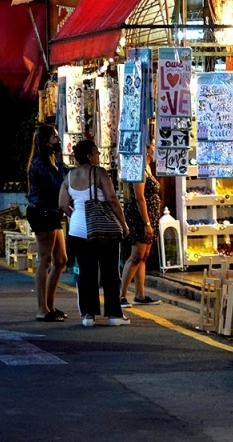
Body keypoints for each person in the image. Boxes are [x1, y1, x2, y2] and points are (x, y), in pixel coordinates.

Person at [58, 139, 129, 327]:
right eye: (97, 152)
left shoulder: (69, 176)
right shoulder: (99, 173)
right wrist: (123, 223)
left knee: (86, 273)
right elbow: (112, 199)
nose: (99, 155)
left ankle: (88, 316)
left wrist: (76, 216)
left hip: (78, 230)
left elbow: (63, 204)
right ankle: (114, 315)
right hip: (103, 229)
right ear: (89, 156)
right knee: (110, 272)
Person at [26, 124, 68, 322]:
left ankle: (50, 304)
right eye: (54, 137)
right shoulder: (39, 163)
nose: (58, 140)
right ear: (45, 142)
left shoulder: (49, 160)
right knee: (45, 260)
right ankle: (42, 309)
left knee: (61, 260)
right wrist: (60, 164)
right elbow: (57, 185)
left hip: (52, 211)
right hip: (42, 211)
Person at [119, 141, 162, 309]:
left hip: (149, 216)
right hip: (140, 218)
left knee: (143, 255)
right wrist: (147, 223)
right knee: (136, 254)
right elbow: (139, 197)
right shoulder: (137, 167)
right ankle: (122, 295)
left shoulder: (147, 167)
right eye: (152, 146)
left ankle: (140, 294)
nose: (154, 148)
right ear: (145, 149)